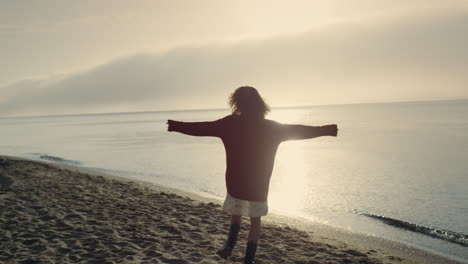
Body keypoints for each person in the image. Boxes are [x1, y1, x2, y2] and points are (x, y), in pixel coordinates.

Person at [167, 86, 338, 264]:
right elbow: (299, 130)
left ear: (236, 103)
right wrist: (327, 130)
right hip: (258, 184)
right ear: (260, 104)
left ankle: (229, 246)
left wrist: (176, 125)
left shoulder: (229, 123)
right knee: (255, 222)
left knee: (236, 211)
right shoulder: (271, 127)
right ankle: (248, 260)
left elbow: (202, 128)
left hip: (236, 182)